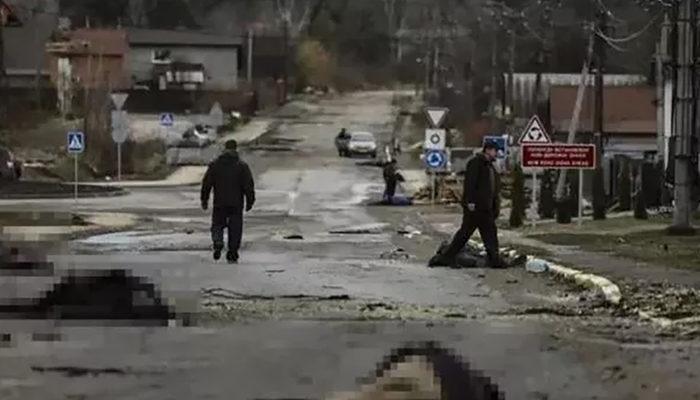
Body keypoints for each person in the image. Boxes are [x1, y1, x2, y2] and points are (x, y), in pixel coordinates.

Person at [434, 141, 504, 268]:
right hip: (476, 207)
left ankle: (494, 259)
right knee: (466, 233)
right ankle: (446, 257)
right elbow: (470, 184)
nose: (496, 154)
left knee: (489, 233)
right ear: (488, 150)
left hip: (486, 207)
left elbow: (493, 189)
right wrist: (471, 202)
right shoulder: (476, 163)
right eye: (495, 151)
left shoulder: (490, 167)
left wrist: (495, 206)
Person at [201, 140, 255, 264]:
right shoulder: (241, 166)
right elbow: (248, 185)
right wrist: (250, 201)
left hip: (219, 202)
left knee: (217, 225)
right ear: (236, 149)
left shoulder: (215, 165)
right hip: (236, 203)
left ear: (224, 149)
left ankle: (218, 241)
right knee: (235, 228)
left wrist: (204, 199)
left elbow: (207, 184)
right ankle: (232, 252)